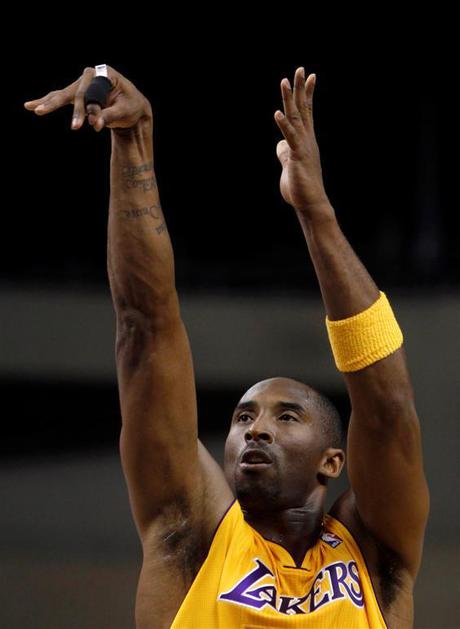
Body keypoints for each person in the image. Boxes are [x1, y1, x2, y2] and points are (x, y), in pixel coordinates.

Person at [24, 64, 429, 628]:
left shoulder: (374, 556)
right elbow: (145, 327)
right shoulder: (190, 536)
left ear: (332, 462)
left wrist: (316, 214)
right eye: (243, 417)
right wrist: (132, 139)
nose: (254, 430)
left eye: (287, 417)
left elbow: (388, 407)